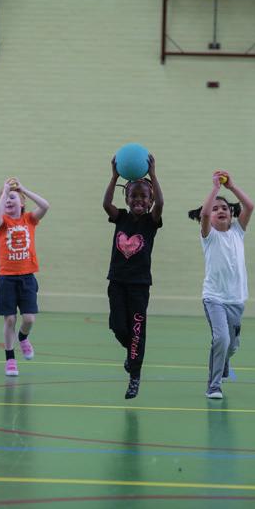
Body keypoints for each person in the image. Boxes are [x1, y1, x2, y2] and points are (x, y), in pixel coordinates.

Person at [188, 170, 254, 399]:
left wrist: (232, 186)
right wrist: (216, 188)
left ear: (232, 213)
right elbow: (204, 213)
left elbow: (250, 206)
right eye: (216, 209)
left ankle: (224, 361)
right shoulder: (209, 236)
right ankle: (213, 386)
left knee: (232, 346)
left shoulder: (238, 231)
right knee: (221, 339)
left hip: (236, 300)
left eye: (224, 207)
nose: (220, 211)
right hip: (214, 298)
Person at [102, 154, 163, 399]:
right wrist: (115, 176)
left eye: (143, 197)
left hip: (139, 285)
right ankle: (132, 354)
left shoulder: (151, 221)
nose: (138, 200)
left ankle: (134, 375)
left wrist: (154, 175)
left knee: (137, 330)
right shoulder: (122, 218)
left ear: (149, 202)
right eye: (133, 196)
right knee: (117, 326)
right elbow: (106, 204)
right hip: (117, 282)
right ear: (126, 199)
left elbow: (161, 204)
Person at [0, 177, 49, 376]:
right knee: (9, 320)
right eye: (5, 198)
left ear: (22, 202)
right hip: (7, 278)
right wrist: (5, 191)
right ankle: (10, 359)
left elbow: (45, 205)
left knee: (29, 319)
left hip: (27, 277)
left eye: (12, 197)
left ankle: (23, 338)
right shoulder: (3, 222)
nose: (8, 200)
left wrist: (23, 188)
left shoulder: (30, 219)